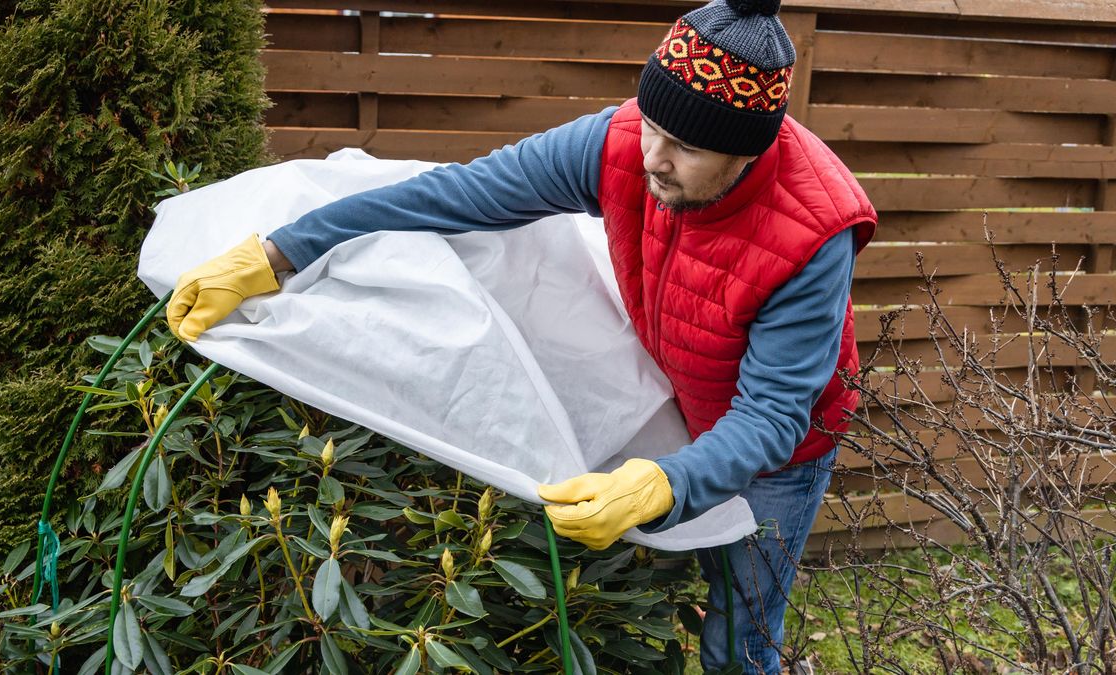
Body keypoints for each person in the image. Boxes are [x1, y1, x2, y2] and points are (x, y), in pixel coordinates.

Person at [166, 0, 876, 671]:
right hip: (684, 397)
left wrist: (668, 482)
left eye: (685, 146)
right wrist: (283, 251)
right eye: (653, 125)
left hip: (779, 453)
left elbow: (771, 415)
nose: (653, 157)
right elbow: (457, 195)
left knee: (736, 639)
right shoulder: (621, 143)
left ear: (747, 152)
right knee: (666, 596)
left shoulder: (813, 231)